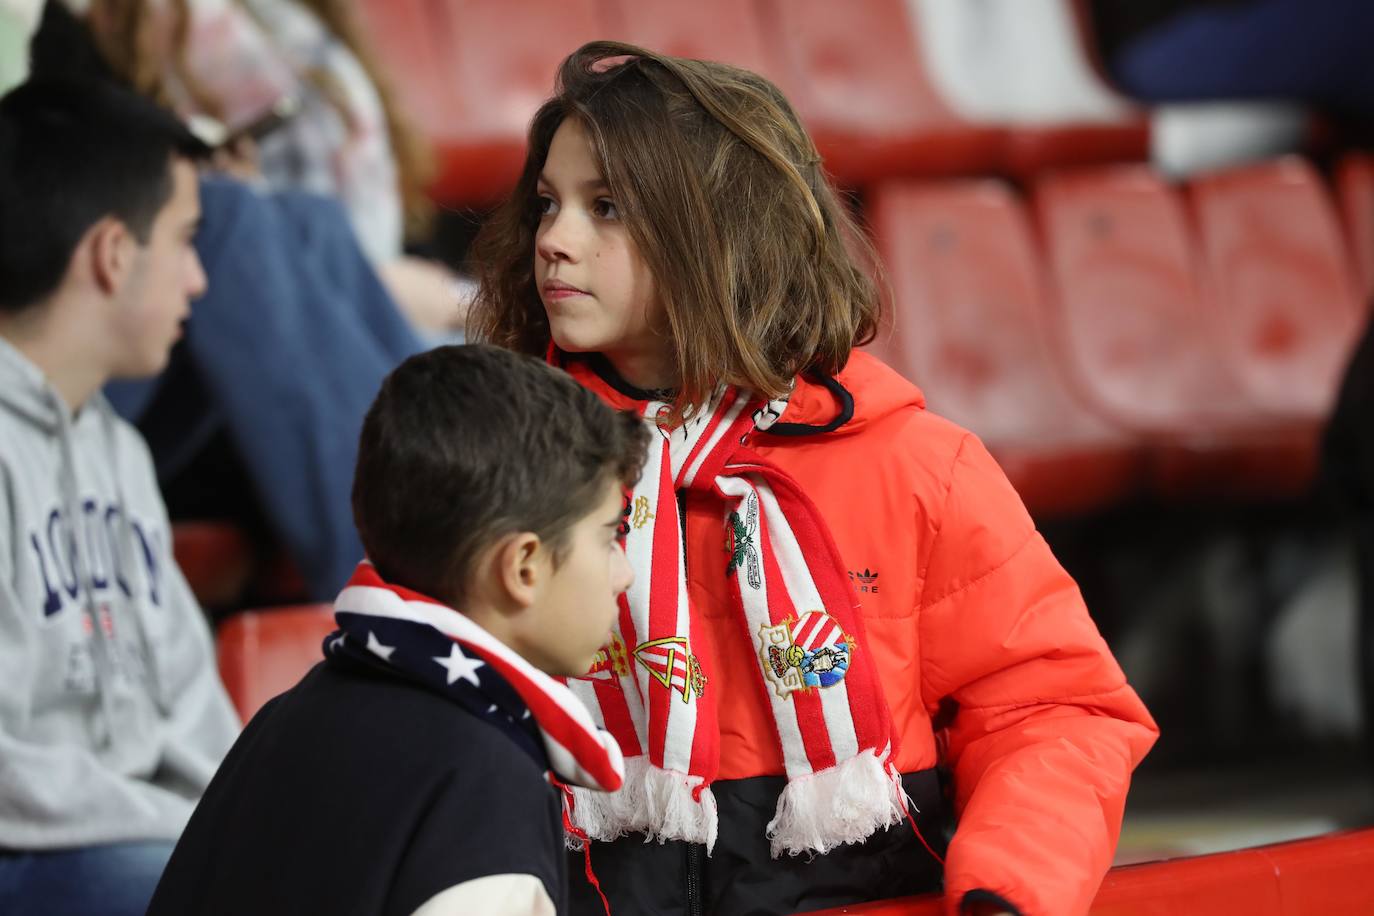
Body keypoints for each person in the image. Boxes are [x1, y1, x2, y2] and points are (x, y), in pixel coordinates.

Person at [468, 42, 1160, 916]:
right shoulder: (500, 466)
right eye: (547, 205)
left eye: (606, 207)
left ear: (722, 232)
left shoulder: (915, 466)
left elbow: (1051, 709)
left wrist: (1008, 891)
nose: (555, 241)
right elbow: (427, 709)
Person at [147, 344, 648, 915]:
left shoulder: (285, 715)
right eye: (609, 538)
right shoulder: (484, 787)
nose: (623, 573)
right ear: (523, 567)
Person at [0, 77, 240, 916]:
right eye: (185, 241)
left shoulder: (121, 451)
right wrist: (190, 837)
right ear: (110, 253)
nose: (201, 280)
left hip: (142, 838)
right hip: (33, 852)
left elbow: (191, 707)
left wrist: (263, 824)